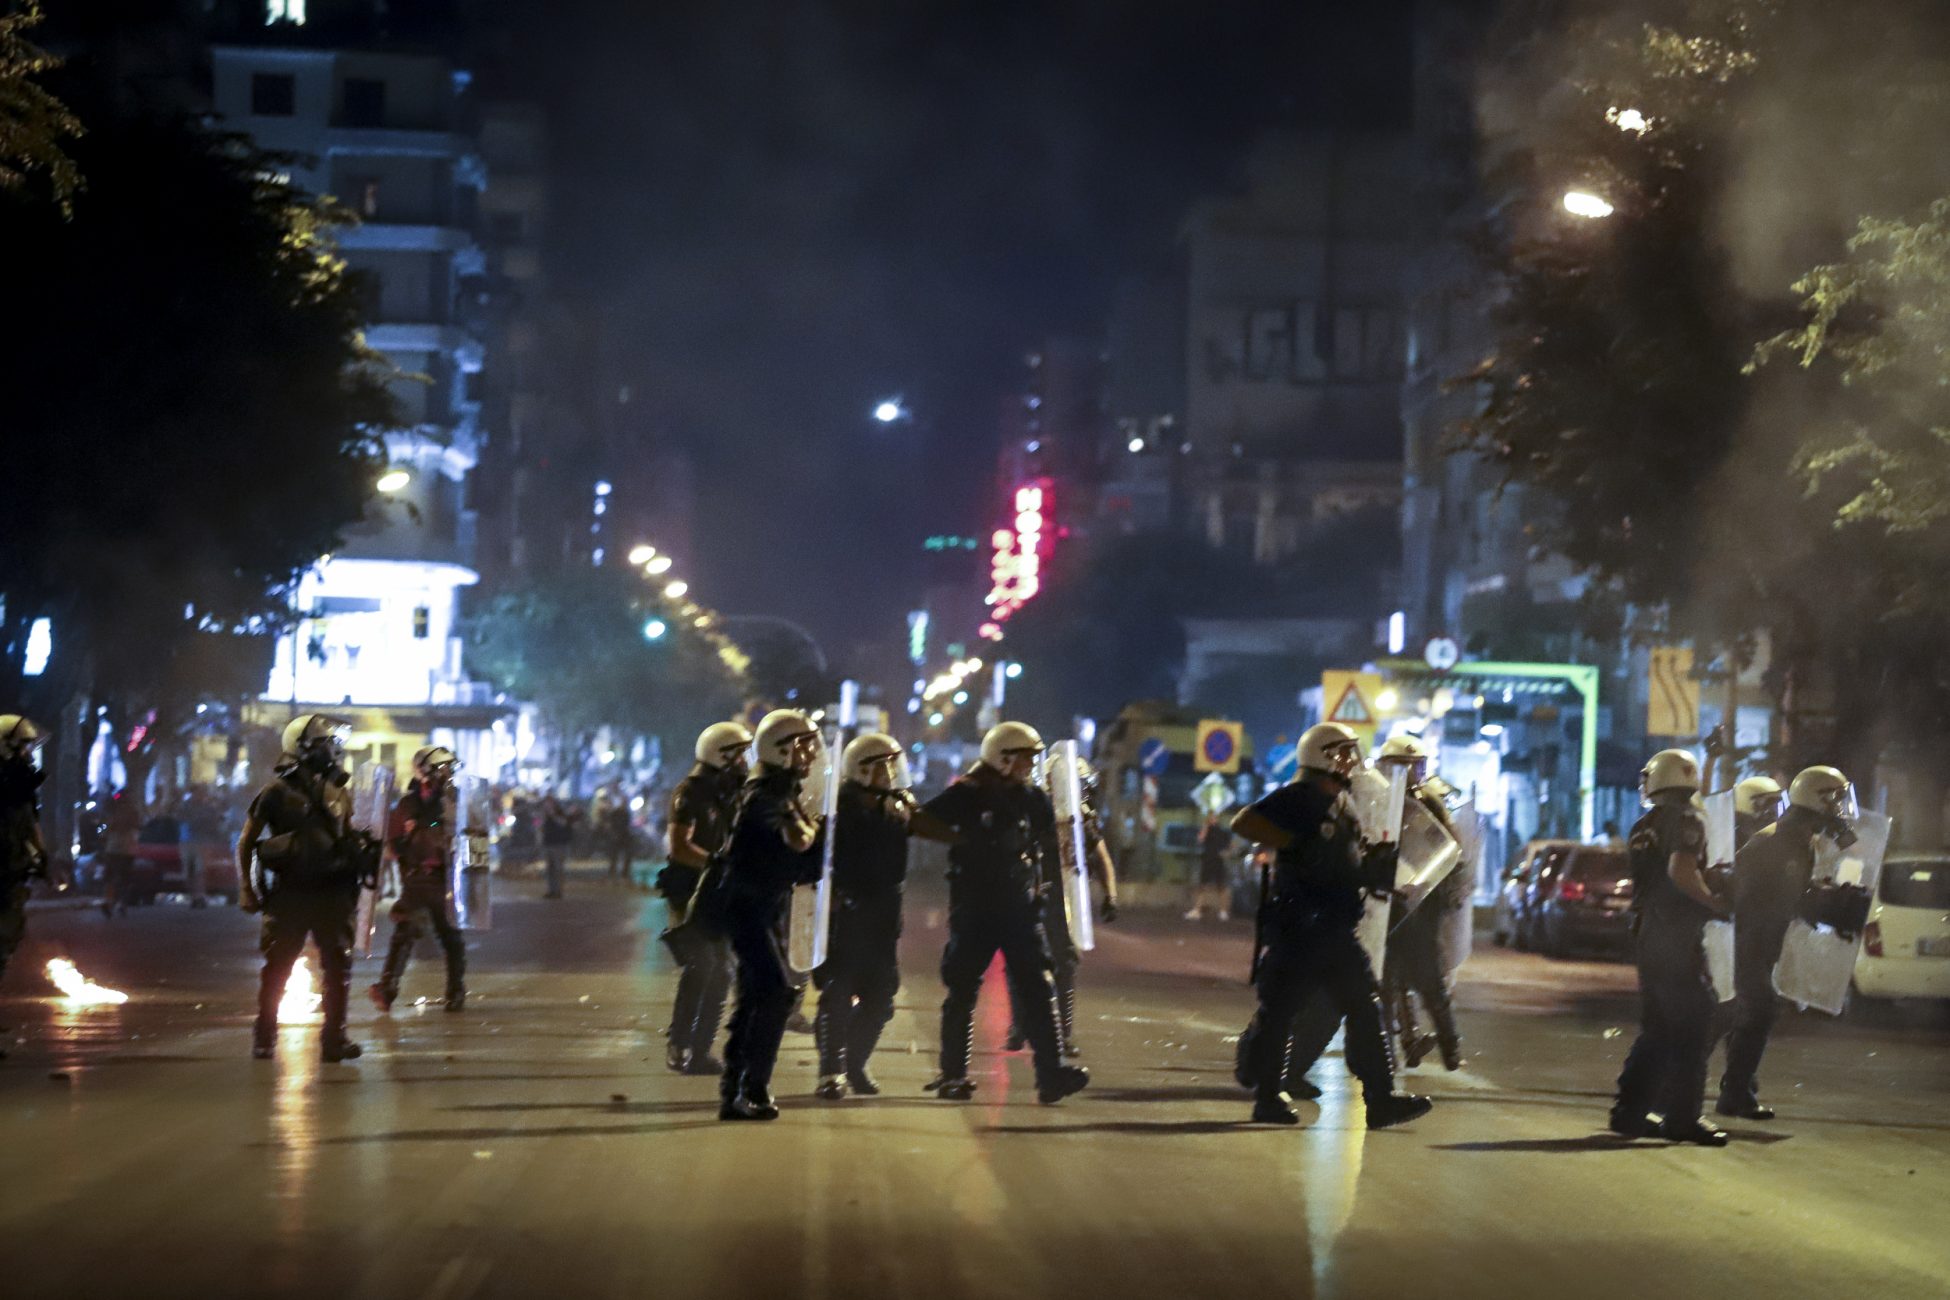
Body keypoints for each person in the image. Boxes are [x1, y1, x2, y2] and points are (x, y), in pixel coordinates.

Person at [1228, 722, 1431, 1129]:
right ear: (1322, 755)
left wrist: (1376, 869)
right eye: (1342, 753)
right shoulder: (1300, 795)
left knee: (1362, 1007)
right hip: (1300, 928)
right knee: (1280, 1013)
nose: (1350, 761)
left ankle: (1380, 1098)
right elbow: (1245, 822)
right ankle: (1267, 1096)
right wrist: (1295, 844)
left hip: (1335, 930)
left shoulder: (1343, 802)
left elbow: (1347, 860)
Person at [909, 721, 1089, 1105]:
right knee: (962, 989)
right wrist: (962, 839)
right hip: (975, 907)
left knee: (1038, 989)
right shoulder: (967, 795)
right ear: (1003, 758)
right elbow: (920, 820)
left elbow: (1050, 842)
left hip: (1019, 908)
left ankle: (1050, 1073)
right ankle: (953, 1074)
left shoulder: (1032, 799)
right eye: (1024, 758)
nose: (1029, 766)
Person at [1716, 766, 1854, 1121]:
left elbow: (1792, 895)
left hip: (1761, 941)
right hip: (1744, 938)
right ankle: (1711, 1093)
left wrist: (1832, 909)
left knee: (1740, 1014)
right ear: (1816, 799)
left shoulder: (1799, 839)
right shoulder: (1776, 841)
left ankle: (1733, 1091)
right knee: (1747, 1011)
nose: (1840, 808)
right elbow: (1748, 896)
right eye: (1835, 799)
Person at [237, 714, 374, 1063]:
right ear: (303, 748)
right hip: (292, 893)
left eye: (331, 742)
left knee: (338, 968)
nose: (332, 748)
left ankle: (334, 1040)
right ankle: (264, 1036)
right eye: (324, 742)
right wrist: (247, 889)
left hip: (333, 892)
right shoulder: (276, 792)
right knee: (278, 967)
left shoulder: (339, 790)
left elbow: (351, 834)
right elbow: (246, 842)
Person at [711, 710, 825, 1121]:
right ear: (780, 750)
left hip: (764, 906)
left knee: (755, 996)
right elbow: (797, 839)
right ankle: (751, 1088)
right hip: (748, 908)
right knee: (775, 993)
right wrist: (815, 830)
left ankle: (735, 1092)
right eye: (802, 746)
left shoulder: (781, 790)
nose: (810, 755)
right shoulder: (766, 795)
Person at [1610, 747, 1728, 1145]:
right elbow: (1681, 870)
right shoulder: (1687, 819)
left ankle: (1628, 1113)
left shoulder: (1645, 824)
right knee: (1696, 1023)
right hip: (1677, 935)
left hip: (1647, 934)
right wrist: (1715, 902)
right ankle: (1683, 1119)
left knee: (1657, 1028)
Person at [812, 733, 912, 1099]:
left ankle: (854, 1063)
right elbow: (818, 856)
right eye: (884, 765)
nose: (891, 773)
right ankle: (830, 1070)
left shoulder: (899, 808)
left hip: (883, 918)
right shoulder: (836, 808)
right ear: (863, 769)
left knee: (882, 999)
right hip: (846, 916)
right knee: (837, 994)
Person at [1007, 754, 1118, 1059]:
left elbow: (1101, 859)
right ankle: (1018, 1026)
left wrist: (1111, 896)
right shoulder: (1032, 813)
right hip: (1031, 896)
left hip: (1065, 902)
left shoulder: (1081, 821)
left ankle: (1063, 1034)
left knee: (1065, 964)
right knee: (1022, 961)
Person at [1372, 734, 1468, 1072]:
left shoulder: (1429, 801)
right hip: (1383, 904)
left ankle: (1450, 1045)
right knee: (1383, 982)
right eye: (1404, 766)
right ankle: (1386, 1052)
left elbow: (1449, 850)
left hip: (1422, 905)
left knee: (1430, 981)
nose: (1412, 773)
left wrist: (1440, 890)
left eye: (1417, 766)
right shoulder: (1375, 800)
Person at [659, 721, 750, 1075]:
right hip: (688, 889)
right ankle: (679, 1042)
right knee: (702, 966)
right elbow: (680, 846)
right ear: (722, 755)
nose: (745, 762)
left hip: (719, 890)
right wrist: (714, 864)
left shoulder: (733, 792)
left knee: (724, 971)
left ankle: (701, 1049)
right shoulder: (691, 792)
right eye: (740, 755)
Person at [369, 746, 467, 1014]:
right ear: (427, 771)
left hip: (444, 879)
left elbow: (468, 834)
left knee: (451, 937)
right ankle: (387, 989)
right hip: (414, 879)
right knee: (404, 933)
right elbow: (391, 846)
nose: (448, 774)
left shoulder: (456, 802)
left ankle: (455, 991)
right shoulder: (406, 805)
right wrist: (407, 835)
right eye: (443, 768)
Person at [0, 716, 51, 1019]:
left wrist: (42, 857)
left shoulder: (20, 786)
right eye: (23, 747)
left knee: (5, 942)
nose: (29, 754)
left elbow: (30, 822)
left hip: (10, 873)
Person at [1187, 813, 1234, 921]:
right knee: (1202, 885)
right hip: (1207, 860)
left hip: (1218, 861)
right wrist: (1205, 826)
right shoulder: (1206, 830)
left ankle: (1223, 911)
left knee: (1221, 886)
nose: (1212, 819)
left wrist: (1227, 853)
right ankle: (1197, 910)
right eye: (1210, 818)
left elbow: (1231, 845)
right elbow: (1200, 839)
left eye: (1214, 817)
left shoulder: (1222, 832)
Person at [538, 789, 575, 899]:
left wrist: (553, 815)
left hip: (559, 844)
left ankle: (558, 890)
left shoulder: (560, 812)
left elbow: (563, 823)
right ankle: (551, 890)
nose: (547, 805)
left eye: (549, 802)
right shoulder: (545, 814)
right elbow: (541, 827)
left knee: (558, 868)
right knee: (549, 869)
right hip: (548, 843)